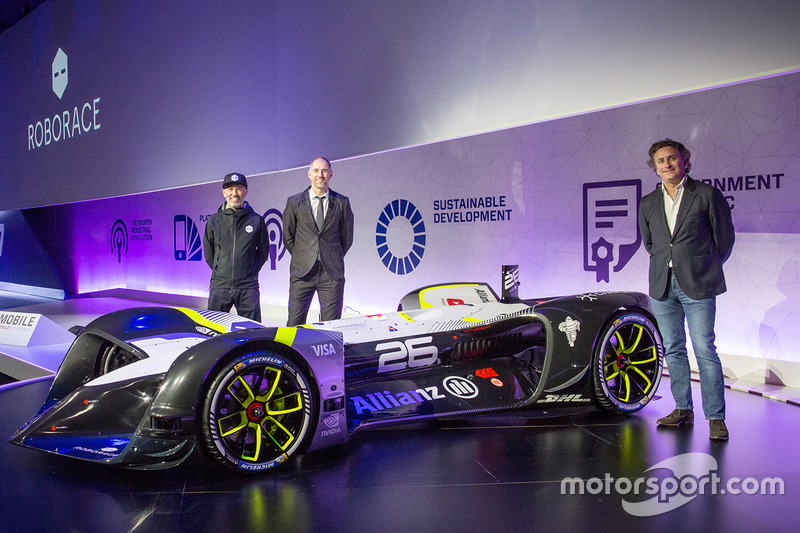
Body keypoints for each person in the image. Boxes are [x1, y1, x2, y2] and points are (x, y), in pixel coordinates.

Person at [638, 138, 735, 440]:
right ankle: (682, 408)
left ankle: (716, 417)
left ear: (684, 161)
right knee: (674, 350)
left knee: (705, 350)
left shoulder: (706, 194)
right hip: (663, 285)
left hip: (698, 284)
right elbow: (652, 244)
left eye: (672, 158)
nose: (667, 164)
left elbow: (724, 240)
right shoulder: (647, 203)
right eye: (661, 161)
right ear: (655, 168)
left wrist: (702, 268)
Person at [283, 157, 354, 326]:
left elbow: (347, 238)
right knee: (294, 324)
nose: (320, 175)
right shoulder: (294, 202)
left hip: (331, 274)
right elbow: (288, 237)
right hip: (302, 273)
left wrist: (331, 255)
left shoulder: (342, 202)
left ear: (330, 174)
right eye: (316, 171)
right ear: (309, 174)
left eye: (324, 171)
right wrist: (305, 255)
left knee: (331, 326)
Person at [203, 172, 269, 322]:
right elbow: (209, 252)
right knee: (214, 330)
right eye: (230, 189)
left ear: (246, 191)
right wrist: (221, 270)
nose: (235, 193)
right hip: (220, 286)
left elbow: (263, 252)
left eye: (239, 188)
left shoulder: (256, 220)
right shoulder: (214, 220)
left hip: (248, 287)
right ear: (224, 192)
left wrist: (249, 270)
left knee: (252, 332)